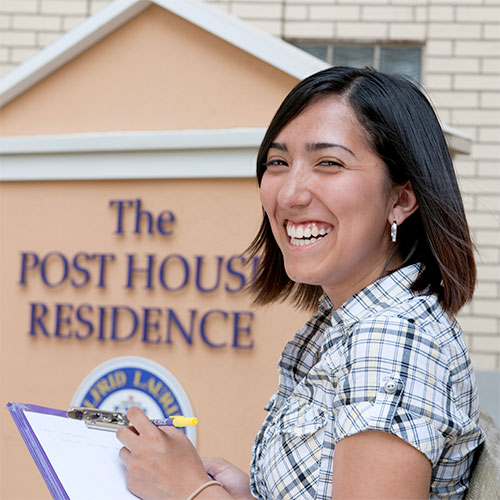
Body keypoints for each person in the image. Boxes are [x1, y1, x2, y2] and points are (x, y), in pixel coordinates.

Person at [117, 67, 484, 500]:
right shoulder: (347, 323)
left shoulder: (389, 338)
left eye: (329, 163)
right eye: (278, 162)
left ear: (402, 198)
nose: (290, 194)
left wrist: (191, 491)